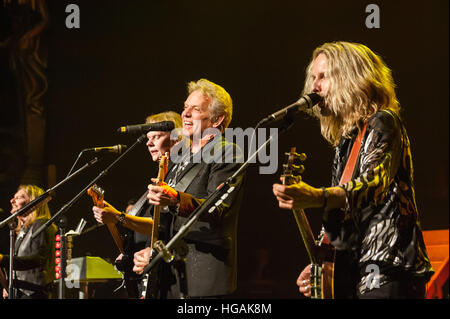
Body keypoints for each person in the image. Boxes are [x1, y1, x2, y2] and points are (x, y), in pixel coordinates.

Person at [272, 41, 434, 299]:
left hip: (388, 265)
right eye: (313, 78)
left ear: (350, 78)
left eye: (323, 77)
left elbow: (372, 185)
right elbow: (342, 214)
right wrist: (322, 265)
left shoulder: (383, 121)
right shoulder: (345, 142)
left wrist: (317, 196)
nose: (314, 87)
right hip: (357, 270)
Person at [133, 78, 245, 299]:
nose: (184, 114)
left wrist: (175, 199)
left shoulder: (228, 153)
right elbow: (166, 222)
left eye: (195, 109)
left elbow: (216, 209)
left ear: (216, 119)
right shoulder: (178, 158)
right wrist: (152, 251)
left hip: (204, 278)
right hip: (171, 277)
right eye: (185, 107)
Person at [92, 111, 182, 298]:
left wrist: (118, 217)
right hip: (144, 278)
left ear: (176, 138)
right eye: (148, 138)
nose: (149, 143)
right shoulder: (157, 179)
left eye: (156, 136)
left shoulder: (176, 180)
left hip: (168, 278)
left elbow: (162, 226)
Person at [0, 185, 58, 299]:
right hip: (21, 293)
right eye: (13, 197)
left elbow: (37, 260)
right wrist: (10, 286)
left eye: (19, 197)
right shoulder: (23, 230)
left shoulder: (42, 224)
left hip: (34, 294)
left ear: (34, 202)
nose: (12, 201)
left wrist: (3, 259)